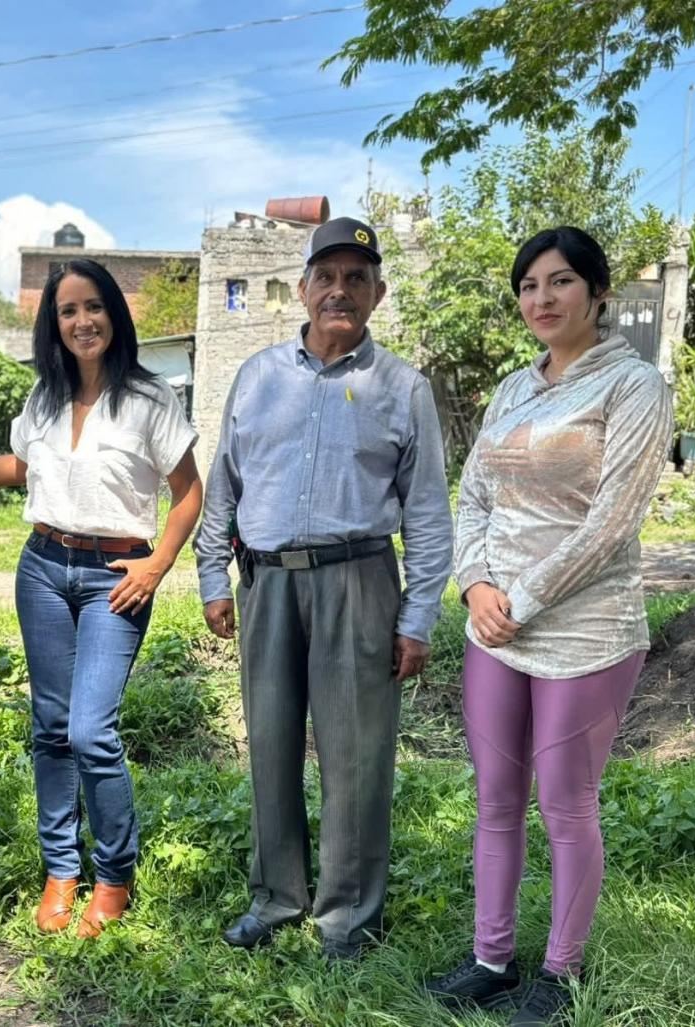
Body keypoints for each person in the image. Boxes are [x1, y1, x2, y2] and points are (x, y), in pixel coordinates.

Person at [423, 227, 673, 1026]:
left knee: (566, 801)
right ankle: (491, 957)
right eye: (528, 286)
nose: (541, 299)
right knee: (496, 796)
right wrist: (474, 584)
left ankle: (561, 975)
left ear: (598, 293)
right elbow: (473, 496)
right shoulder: (509, 389)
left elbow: (612, 523)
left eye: (559, 282)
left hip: (586, 629)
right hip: (493, 625)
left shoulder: (635, 386)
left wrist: (520, 596)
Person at [194, 217, 453, 961]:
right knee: (271, 746)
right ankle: (277, 897)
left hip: (360, 582)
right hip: (268, 584)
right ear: (303, 288)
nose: (340, 289)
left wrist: (419, 617)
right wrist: (214, 575)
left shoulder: (403, 387)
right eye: (326, 276)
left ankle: (347, 916)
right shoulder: (256, 376)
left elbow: (429, 512)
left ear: (377, 292)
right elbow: (224, 487)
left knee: (357, 756)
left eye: (356, 278)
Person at [0, 258, 202, 939]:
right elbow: (20, 468)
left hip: (115, 576)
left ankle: (113, 873)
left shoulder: (151, 398)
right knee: (48, 728)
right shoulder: (40, 398)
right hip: (42, 566)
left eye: (93, 305)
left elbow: (188, 490)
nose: (82, 320)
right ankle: (60, 869)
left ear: (114, 313)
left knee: (89, 732)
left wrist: (157, 563)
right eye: (68, 310)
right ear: (54, 323)